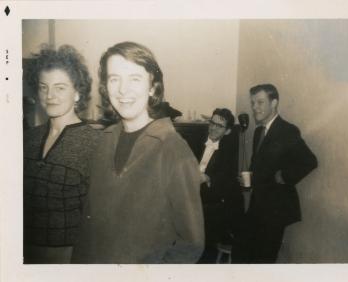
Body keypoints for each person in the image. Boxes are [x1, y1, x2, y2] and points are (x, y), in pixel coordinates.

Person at [71, 41, 204, 264]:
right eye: (114, 79)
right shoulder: (103, 142)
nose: (123, 90)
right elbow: (88, 227)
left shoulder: (173, 149)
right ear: (105, 86)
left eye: (134, 78)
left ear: (152, 86)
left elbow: (191, 244)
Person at [23, 45, 101, 263]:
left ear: (77, 93)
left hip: (69, 258)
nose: (50, 96)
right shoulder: (27, 139)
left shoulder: (96, 143)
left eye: (60, 88)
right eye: (43, 87)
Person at [232, 84, 318, 263]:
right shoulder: (258, 132)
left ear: (274, 103)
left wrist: (284, 176)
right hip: (258, 205)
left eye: (260, 102)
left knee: (264, 258)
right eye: (253, 103)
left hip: (276, 209)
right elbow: (263, 166)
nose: (255, 107)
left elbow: (310, 161)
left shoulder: (287, 131)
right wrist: (250, 176)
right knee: (241, 249)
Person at [197, 108, 243, 263]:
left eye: (219, 126)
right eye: (212, 123)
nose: (213, 128)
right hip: (200, 199)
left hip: (219, 209)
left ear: (228, 131)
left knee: (203, 229)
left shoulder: (228, 153)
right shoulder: (198, 142)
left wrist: (208, 178)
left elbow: (223, 183)